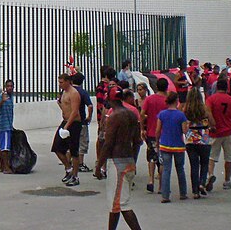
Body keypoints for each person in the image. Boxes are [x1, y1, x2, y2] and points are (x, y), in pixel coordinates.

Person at [94, 85, 143, 230]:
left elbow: (108, 144)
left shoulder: (114, 116)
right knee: (116, 203)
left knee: (122, 204)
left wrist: (98, 166)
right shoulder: (132, 114)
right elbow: (137, 141)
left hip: (117, 163)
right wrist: (133, 159)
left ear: (109, 98)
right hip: (128, 160)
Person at [206, 78, 231, 191]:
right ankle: (227, 180)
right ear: (227, 88)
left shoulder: (211, 99)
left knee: (211, 157)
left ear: (217, 87)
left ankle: (210, 174)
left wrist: (212, 124)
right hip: (229, 132)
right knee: (229, 157)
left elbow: (207, 113)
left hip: (215, 132)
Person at [156, 91, 189, 203]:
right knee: (180, 169)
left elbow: (158, 130)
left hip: (165, 145)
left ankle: (165, 195)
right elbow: (185, 131)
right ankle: (183, 193)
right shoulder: (181, 115)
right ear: (176, 101)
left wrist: (157, 142)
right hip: (178, 145)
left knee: (166, 170)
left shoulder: (162, 114)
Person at [184, 87, 215, 199]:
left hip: (190, 140)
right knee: (204, 163)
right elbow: (212, 122)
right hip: (204, 140)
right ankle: (202, 183)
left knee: (194, 165)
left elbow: (183, 125)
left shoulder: (185, 110)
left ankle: (195, 191)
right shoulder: (205, 109)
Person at [52, 73, 82, 186]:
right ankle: (68, 169)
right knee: (57, 147)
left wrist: (66, 126)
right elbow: (65, 107)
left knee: (74, 150)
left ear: (68, 81)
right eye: (59, 82)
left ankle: (75, 176)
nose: (60, 84)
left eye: (61, 82)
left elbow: (75, 112)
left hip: (73, 123)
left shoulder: (74, 93)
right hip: (65, 122)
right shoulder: (64, 92)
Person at [140, 77, 168, 193]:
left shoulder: (149, 99)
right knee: (162, 160)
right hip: (165, 133)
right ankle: (161, 186)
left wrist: (142, 128)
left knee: (152, 156)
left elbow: (142, 114)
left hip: (151, 132)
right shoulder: (168, 100)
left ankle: (151, 180)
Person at [72, 72, 94, 172]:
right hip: (81, 121)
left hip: (69, 120)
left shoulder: (68, 91)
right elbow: (90, 105)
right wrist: (89, 117)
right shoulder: (83, 92)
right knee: (82, 142)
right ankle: (80, 163)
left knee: (71, 141)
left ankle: (70, 163)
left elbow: (59, 101)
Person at [0, 79, 15, 174]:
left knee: (2, 146)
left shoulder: (11, 97)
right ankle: (6, 167)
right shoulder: (2, 96)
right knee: (5, 148)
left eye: (11, 86)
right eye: (8, 86)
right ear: (5, 87)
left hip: (8, 125)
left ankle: (2, 166)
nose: (9, 88)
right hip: (4, 125)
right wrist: (2, 101)